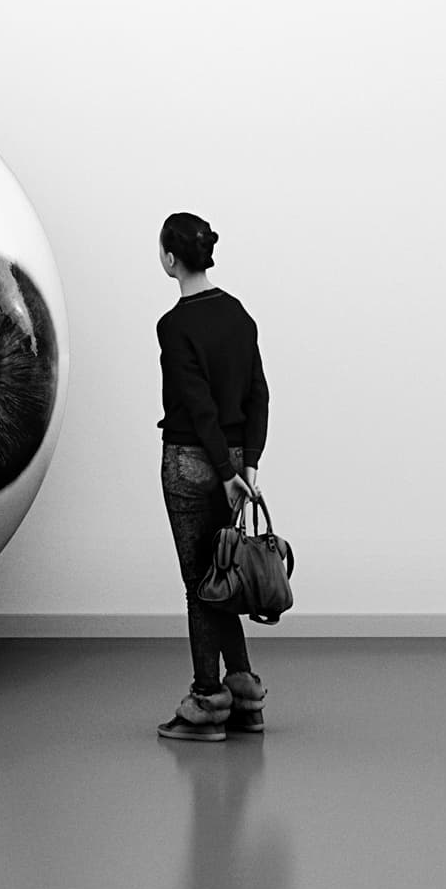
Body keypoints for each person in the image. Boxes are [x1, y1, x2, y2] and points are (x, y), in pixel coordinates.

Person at [153, 212, 271, 742]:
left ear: (172, 258)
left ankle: (207, 703)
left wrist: (224, 471)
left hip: (191, 460)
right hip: (236, 458)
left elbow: (199, 409)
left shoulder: (174, 325)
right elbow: (259, 395)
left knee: (201, 587)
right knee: (220, 577)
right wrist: (247, 465)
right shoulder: (240, 316)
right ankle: (244, 693)